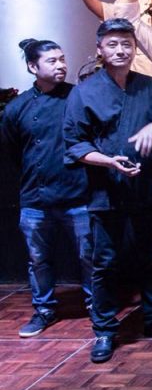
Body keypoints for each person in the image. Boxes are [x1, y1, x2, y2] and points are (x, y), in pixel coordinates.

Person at [63, 19, 152, 364]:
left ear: (135, 47)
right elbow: (75, 144)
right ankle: (104, 329)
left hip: (150, 187)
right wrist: (109, 162)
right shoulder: (84, 92)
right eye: (112, 44)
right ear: (100, 49)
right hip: (107, 192)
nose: (120, 50)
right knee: (105, 262)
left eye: (126, 43)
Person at [1, 39, 91, 338]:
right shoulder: (17, 108)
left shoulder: (78, 97)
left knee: (89, 255)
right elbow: (13, 152)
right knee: (38, 259)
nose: (60, 65)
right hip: (35, 198)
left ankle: (96, 307)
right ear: (32, 67)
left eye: (62, 59)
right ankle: (44, 310)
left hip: (77, 193)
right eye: (51, 61)